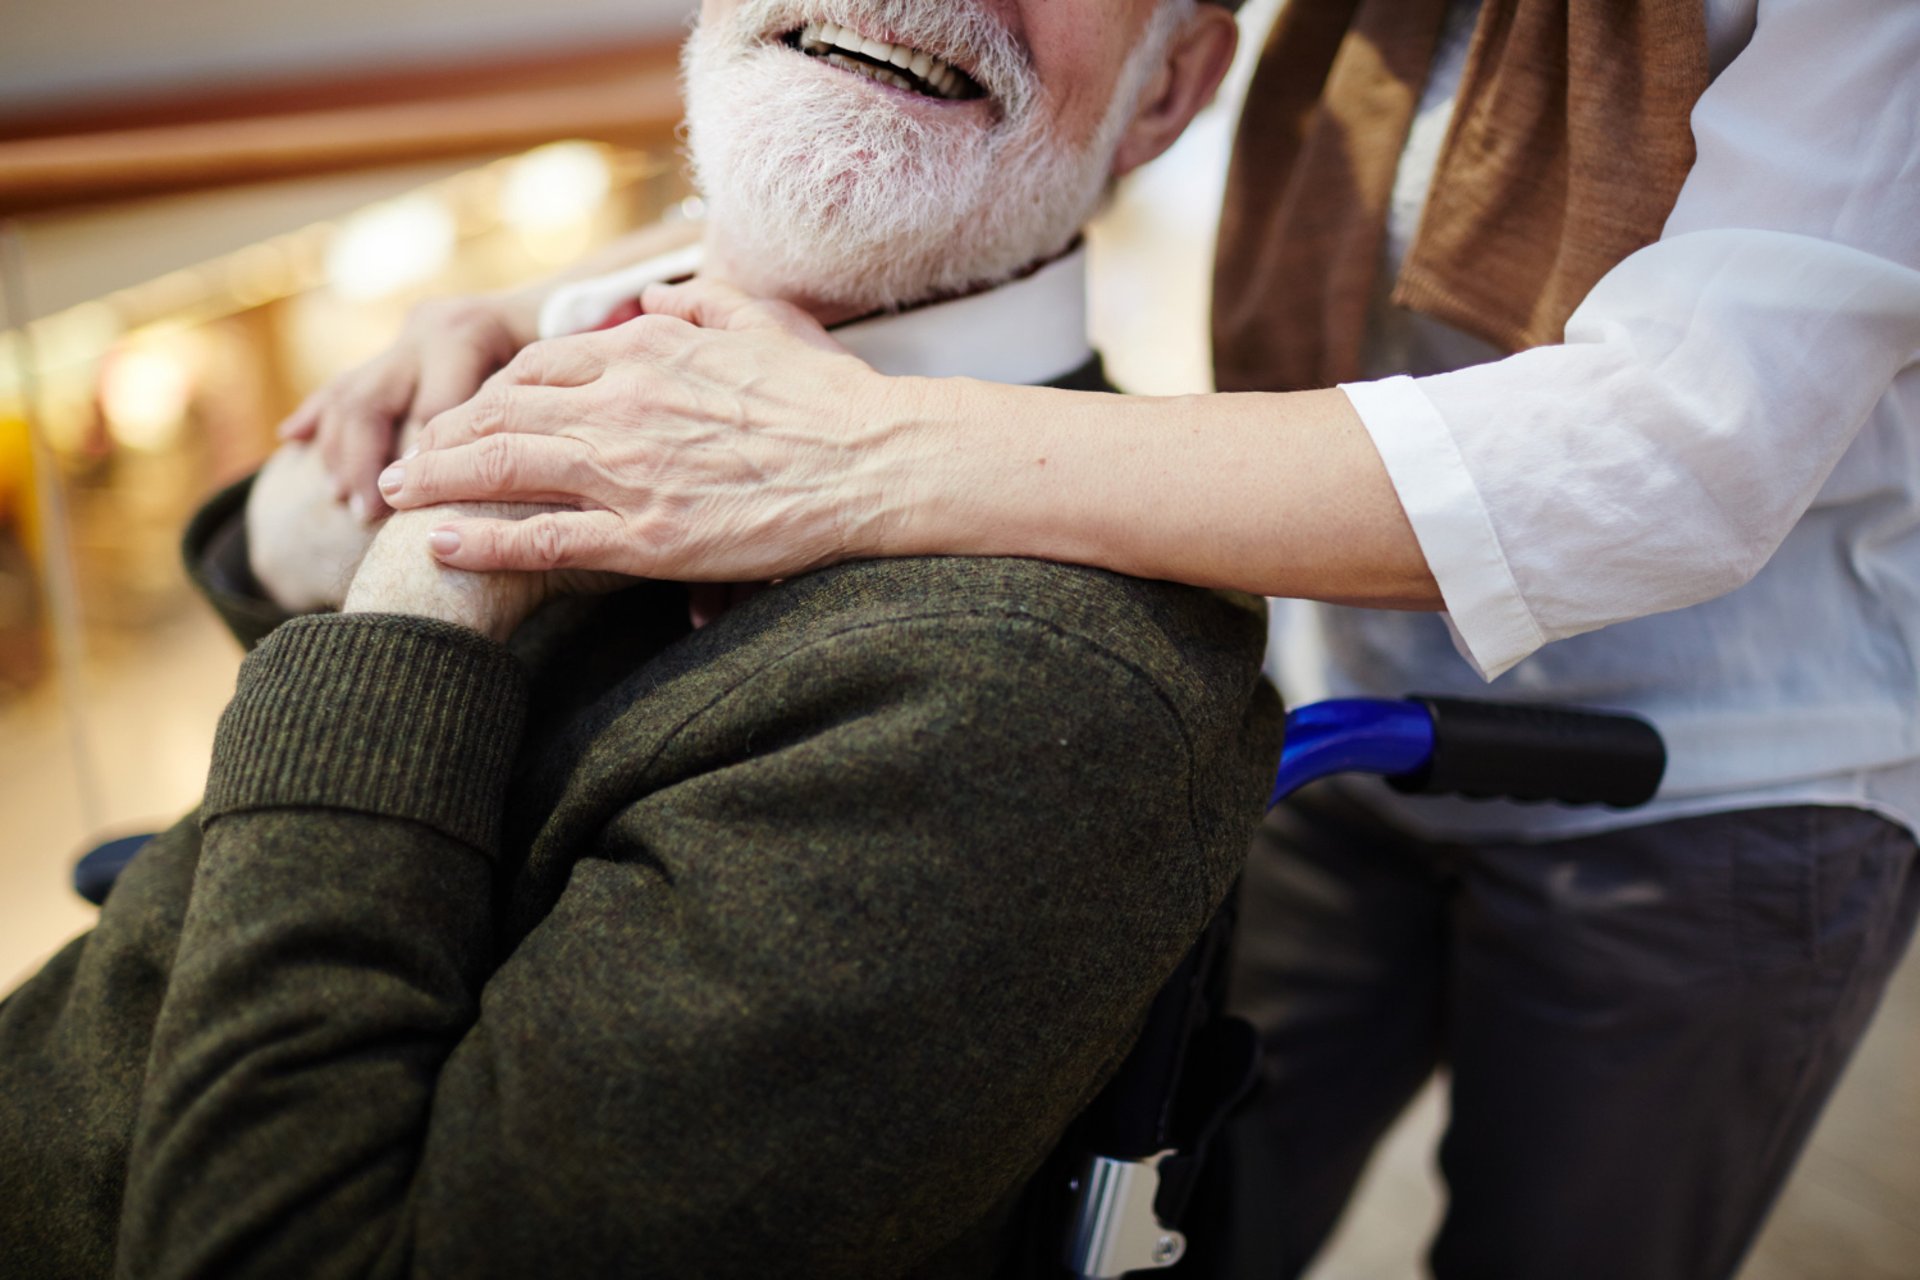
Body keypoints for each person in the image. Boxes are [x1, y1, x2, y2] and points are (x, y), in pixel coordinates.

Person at [325, 0, 1920, 1276]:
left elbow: (1682, 449)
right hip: (1341, 698)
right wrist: (583, 316)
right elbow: (932, 114)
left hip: (1718, 774)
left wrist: (863, 452)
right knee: (1187, 1200)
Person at [0, 2, 1281, 1276]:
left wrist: (433, 576)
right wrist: (308, 528)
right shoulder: (594, 332)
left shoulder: (1044, 688)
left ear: (1167, 85)